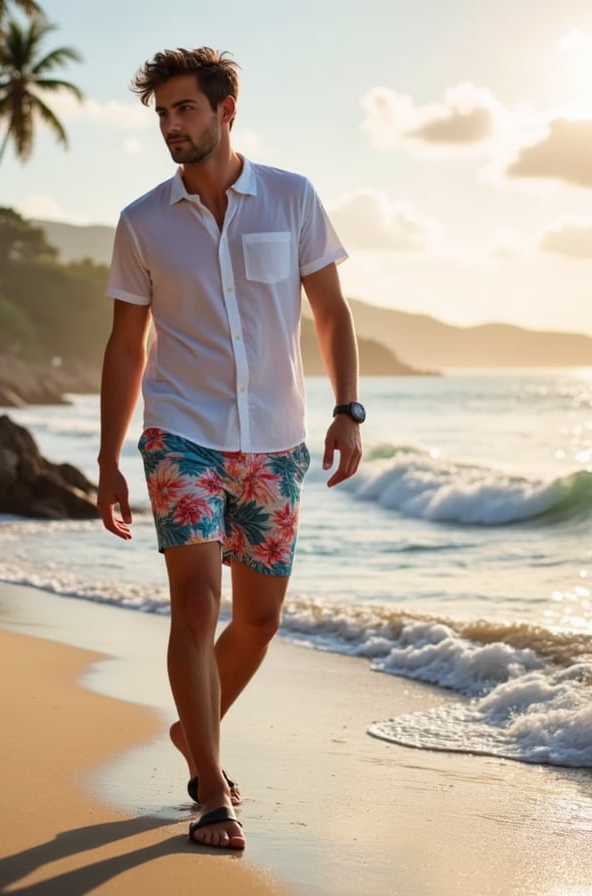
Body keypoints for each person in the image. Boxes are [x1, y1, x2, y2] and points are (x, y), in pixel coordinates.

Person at [96, 47, 364, 851]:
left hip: (275, 441)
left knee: (260, 620)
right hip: (181, 432)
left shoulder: (292, 198)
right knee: (196, 603)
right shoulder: (142, 221)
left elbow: (331, 314)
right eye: (163, 115)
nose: (172, 127)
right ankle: (211, 789)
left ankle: (193, 730)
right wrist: (109, 457)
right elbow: (124, 347)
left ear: (225, 108)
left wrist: (348, 410)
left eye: (184, 110)